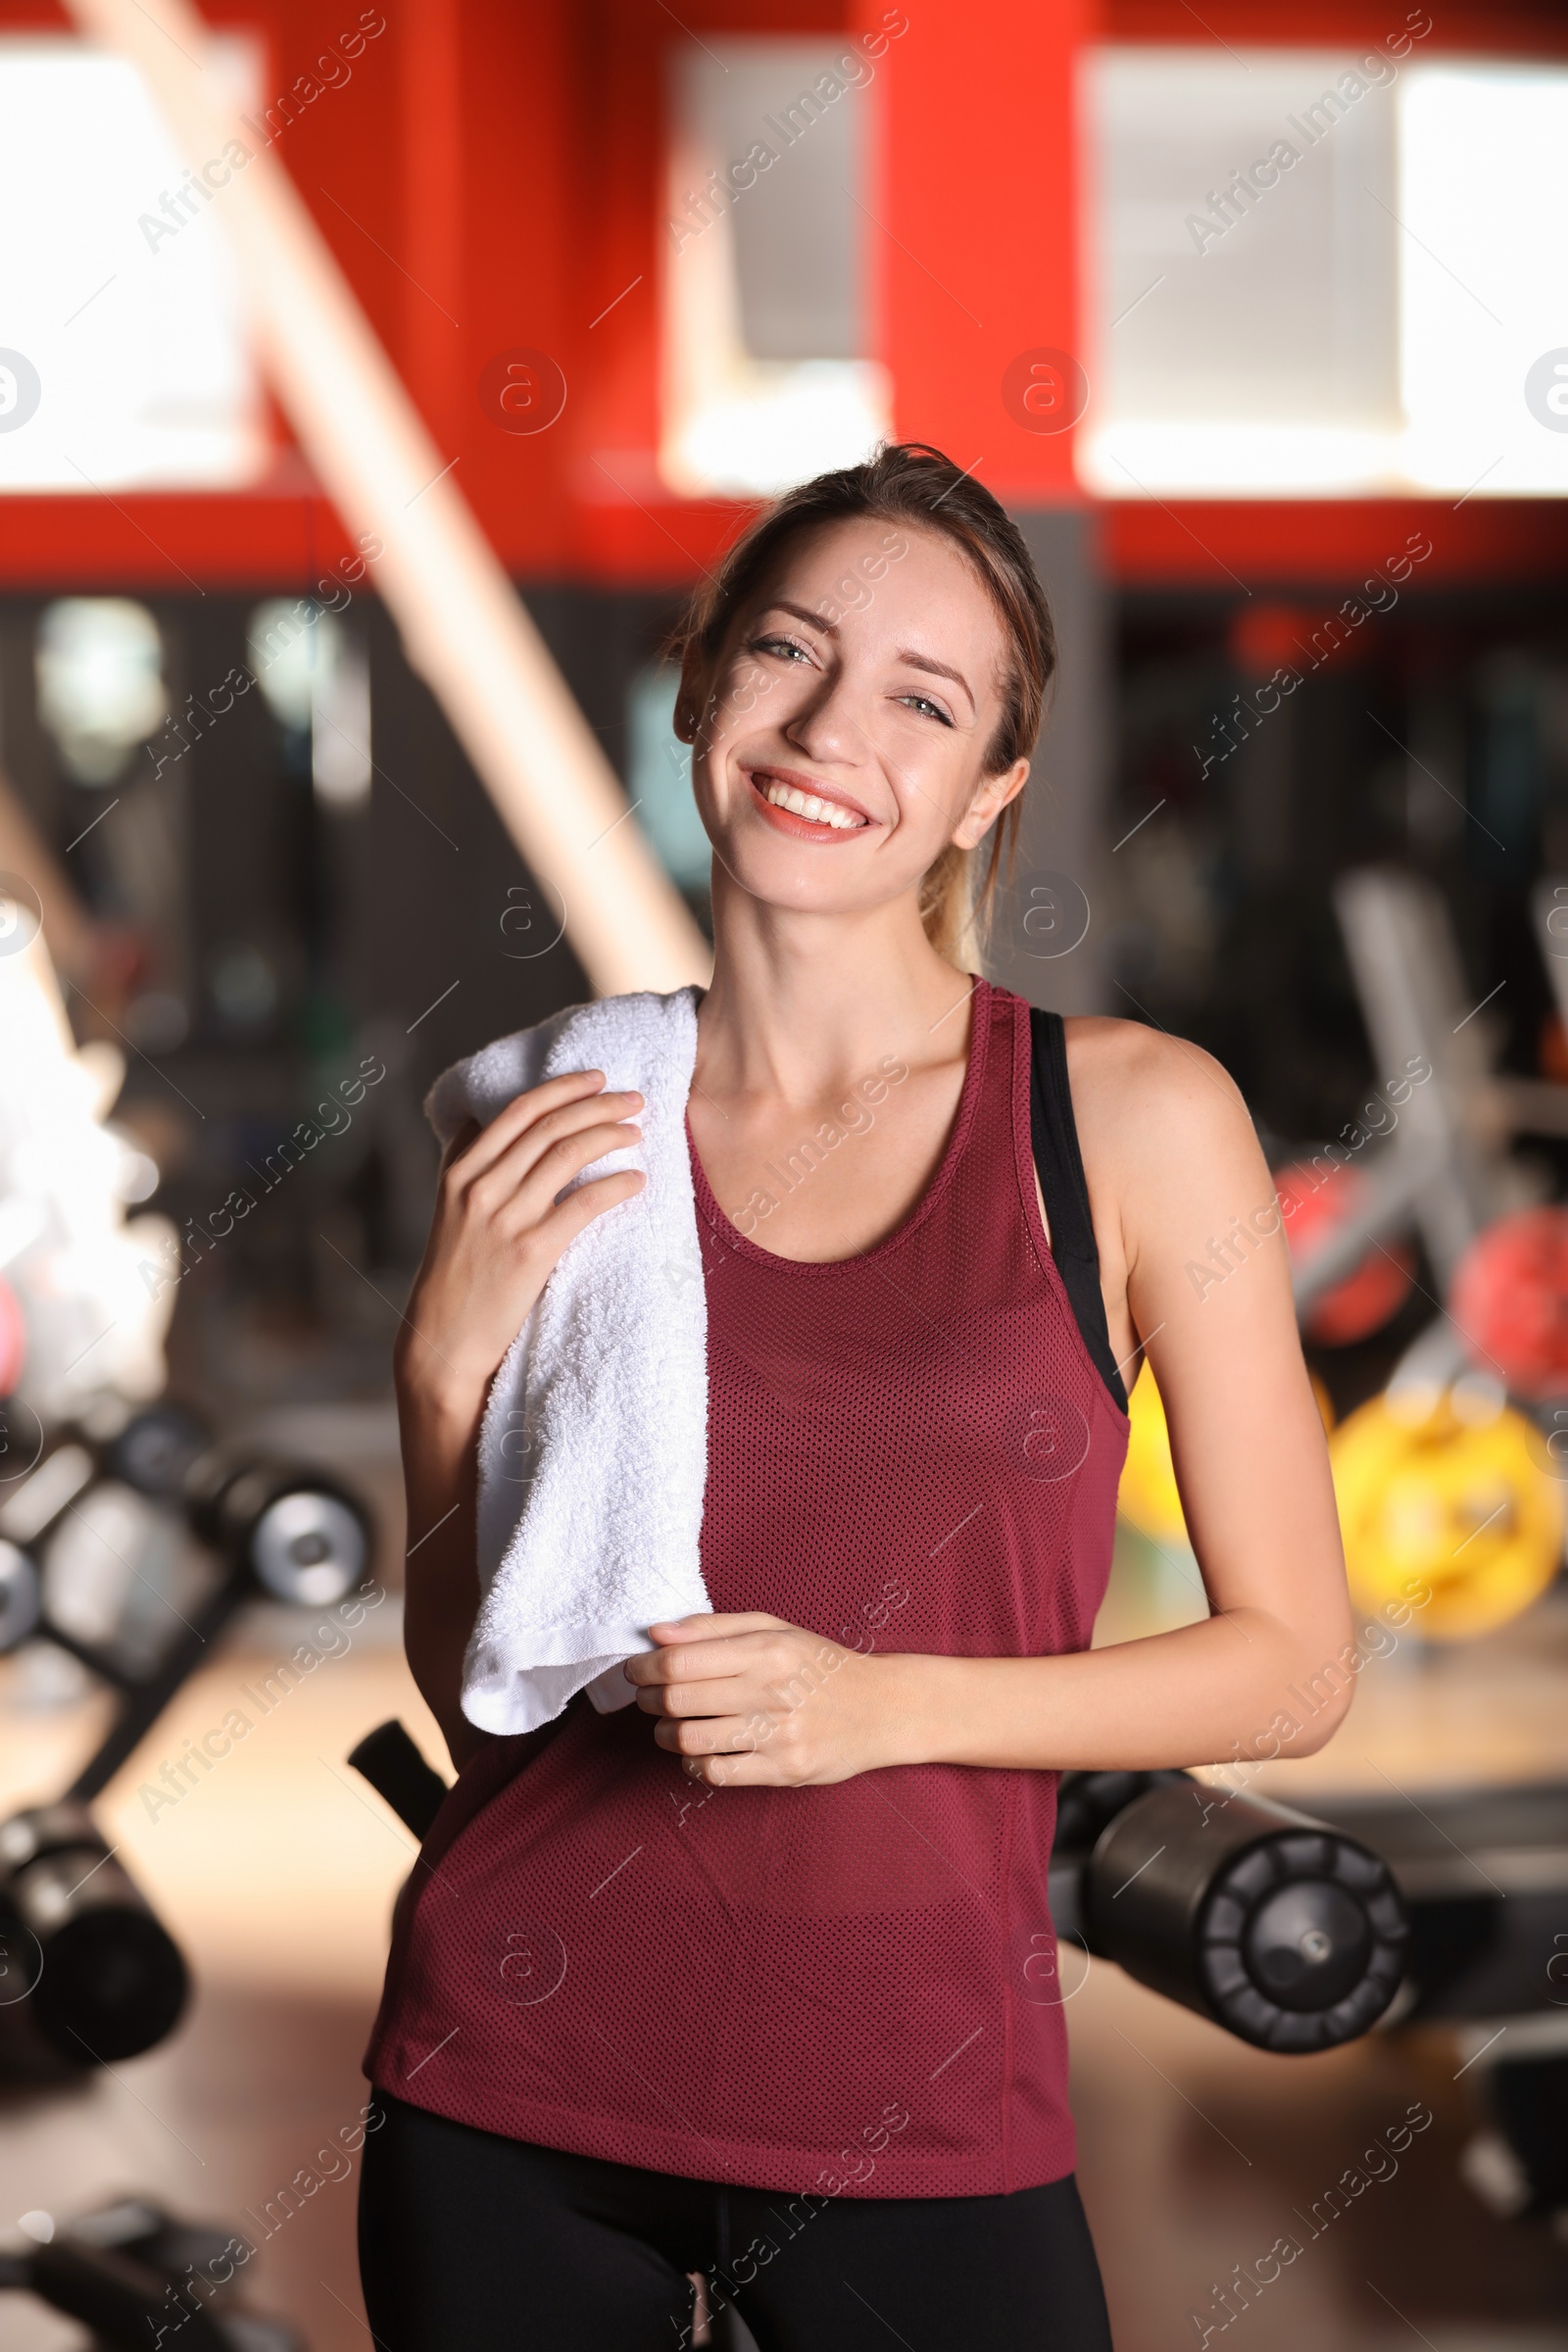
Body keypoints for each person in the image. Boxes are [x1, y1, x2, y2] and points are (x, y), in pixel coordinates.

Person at [358, 443, 1352, 2349]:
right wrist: (439, 1365)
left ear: (988, 786)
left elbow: (1290, 1666)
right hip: (509, 2078)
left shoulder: (1129, 1120)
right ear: (698, 688)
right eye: (786, 655)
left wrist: (880, 1704)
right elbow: (480, 1689)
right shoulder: (564, 1120)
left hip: (915, 2099)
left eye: (920, 697)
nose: (830, 729)